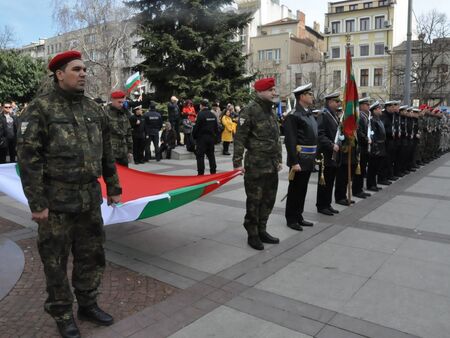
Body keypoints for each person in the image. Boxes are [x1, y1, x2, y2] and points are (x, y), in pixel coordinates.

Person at [16, 50, 122, 338]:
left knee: (91, 255)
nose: (83, 73)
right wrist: (37, 203)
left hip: (89, 199)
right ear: (59, 74)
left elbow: (107, 153)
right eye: (76, 69)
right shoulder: (39, 109)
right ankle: (62, 313)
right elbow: (28, 160)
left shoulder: (93, 109)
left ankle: (88, 304)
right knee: (55, 261)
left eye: (84, 69)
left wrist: (113, 187)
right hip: (56, 203)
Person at [233, 77, 282, 250]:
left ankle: (262, 229)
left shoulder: (271, 111)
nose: (274, 92)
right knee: (255, 200)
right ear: (260, 91)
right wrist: (237, 163)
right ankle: (252, 233)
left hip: (271, 164)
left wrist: (279, 159)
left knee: (269, 199)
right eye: (270, 90)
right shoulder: (249, 111)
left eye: (274, 89)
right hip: (256, 164)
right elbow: (239, 138)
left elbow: (276, 138)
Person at [283, 83, 317, 231]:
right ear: (302, 97)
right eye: (309, 94)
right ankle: (291, 219)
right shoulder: (294, 116)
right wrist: (294, 162)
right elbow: (290, 140)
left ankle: (299, 216)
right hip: (299, 159)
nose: (312, 96)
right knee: (295, 190)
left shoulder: (308, 113)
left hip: (308, 158)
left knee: (302, 189)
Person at [316, 92, 341, 216]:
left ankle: (327, 203)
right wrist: (331, 145)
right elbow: (320, 135)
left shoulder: (334, 115)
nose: (338, 104)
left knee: (331, 180)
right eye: (336, 102)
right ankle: (321, 205)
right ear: (330, 102)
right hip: (325, 154)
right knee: (324, 181)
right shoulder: (323, 115)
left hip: (333, 155)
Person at [105, 90, 133, 166]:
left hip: (123, 153)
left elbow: (128, 132)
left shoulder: (124, 113)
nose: (121, 104)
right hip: (110, 154)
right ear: (112, 100)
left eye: (123, 102)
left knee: (125, 176)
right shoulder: (104, 113)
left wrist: (130, 150)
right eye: (119, 102)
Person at [192, 99, 218, 175]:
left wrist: (194, 137)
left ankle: (201, 173)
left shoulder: (200, 114)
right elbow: (216, 128)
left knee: (200, 156)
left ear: (201, 105)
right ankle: (213, 172)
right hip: (211, 138)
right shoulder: (212, 115)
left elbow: (196, 127)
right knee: (211, 156)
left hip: (202, 139)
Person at [352, 97, 371, 199]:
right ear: (362, 105)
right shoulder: (359, 116)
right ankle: (356, 190)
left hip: (364, 146)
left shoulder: (365, 116)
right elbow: (358, 132)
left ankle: (360, 189)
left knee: (362, 169)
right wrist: (366, 139)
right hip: (360, 146)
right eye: (367, 105)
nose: (369, 106)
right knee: (359, 170)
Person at [367, 101, 387, 191]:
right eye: (378, 108)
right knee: (372, 167)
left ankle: (374, 183)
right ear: (374, 110)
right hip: (376, 146)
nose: (380, 110)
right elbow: (372, 135)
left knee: (376, 167)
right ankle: (370, 185)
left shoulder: (379, 120)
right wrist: (375, 147)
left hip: (381, 145)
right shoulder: (372, 121)